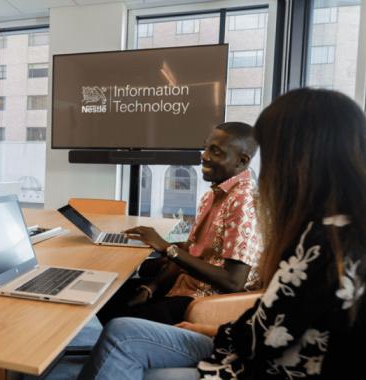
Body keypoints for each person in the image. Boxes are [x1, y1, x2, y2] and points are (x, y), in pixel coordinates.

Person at [78, 88, 366, 379]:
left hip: (254, 361)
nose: (267, 170)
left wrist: (207, 326)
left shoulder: (321, 243)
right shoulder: (338, 233)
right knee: (120, 319)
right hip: (251, 342)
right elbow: (274, 324)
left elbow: (262, 335)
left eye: (273, 154)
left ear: (302, 159)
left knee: (122, 331)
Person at [97, 122, 262, 326]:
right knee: (104, 295)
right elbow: (191, 253)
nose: (205, 156)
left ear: (242, 160)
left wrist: (168, 248)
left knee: (120, 321)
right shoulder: (211, 195)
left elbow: (234, 282)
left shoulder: (244, 201)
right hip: (185, 287)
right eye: (206, 147)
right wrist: (152, 288)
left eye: (216, 151)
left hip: (206, 303)